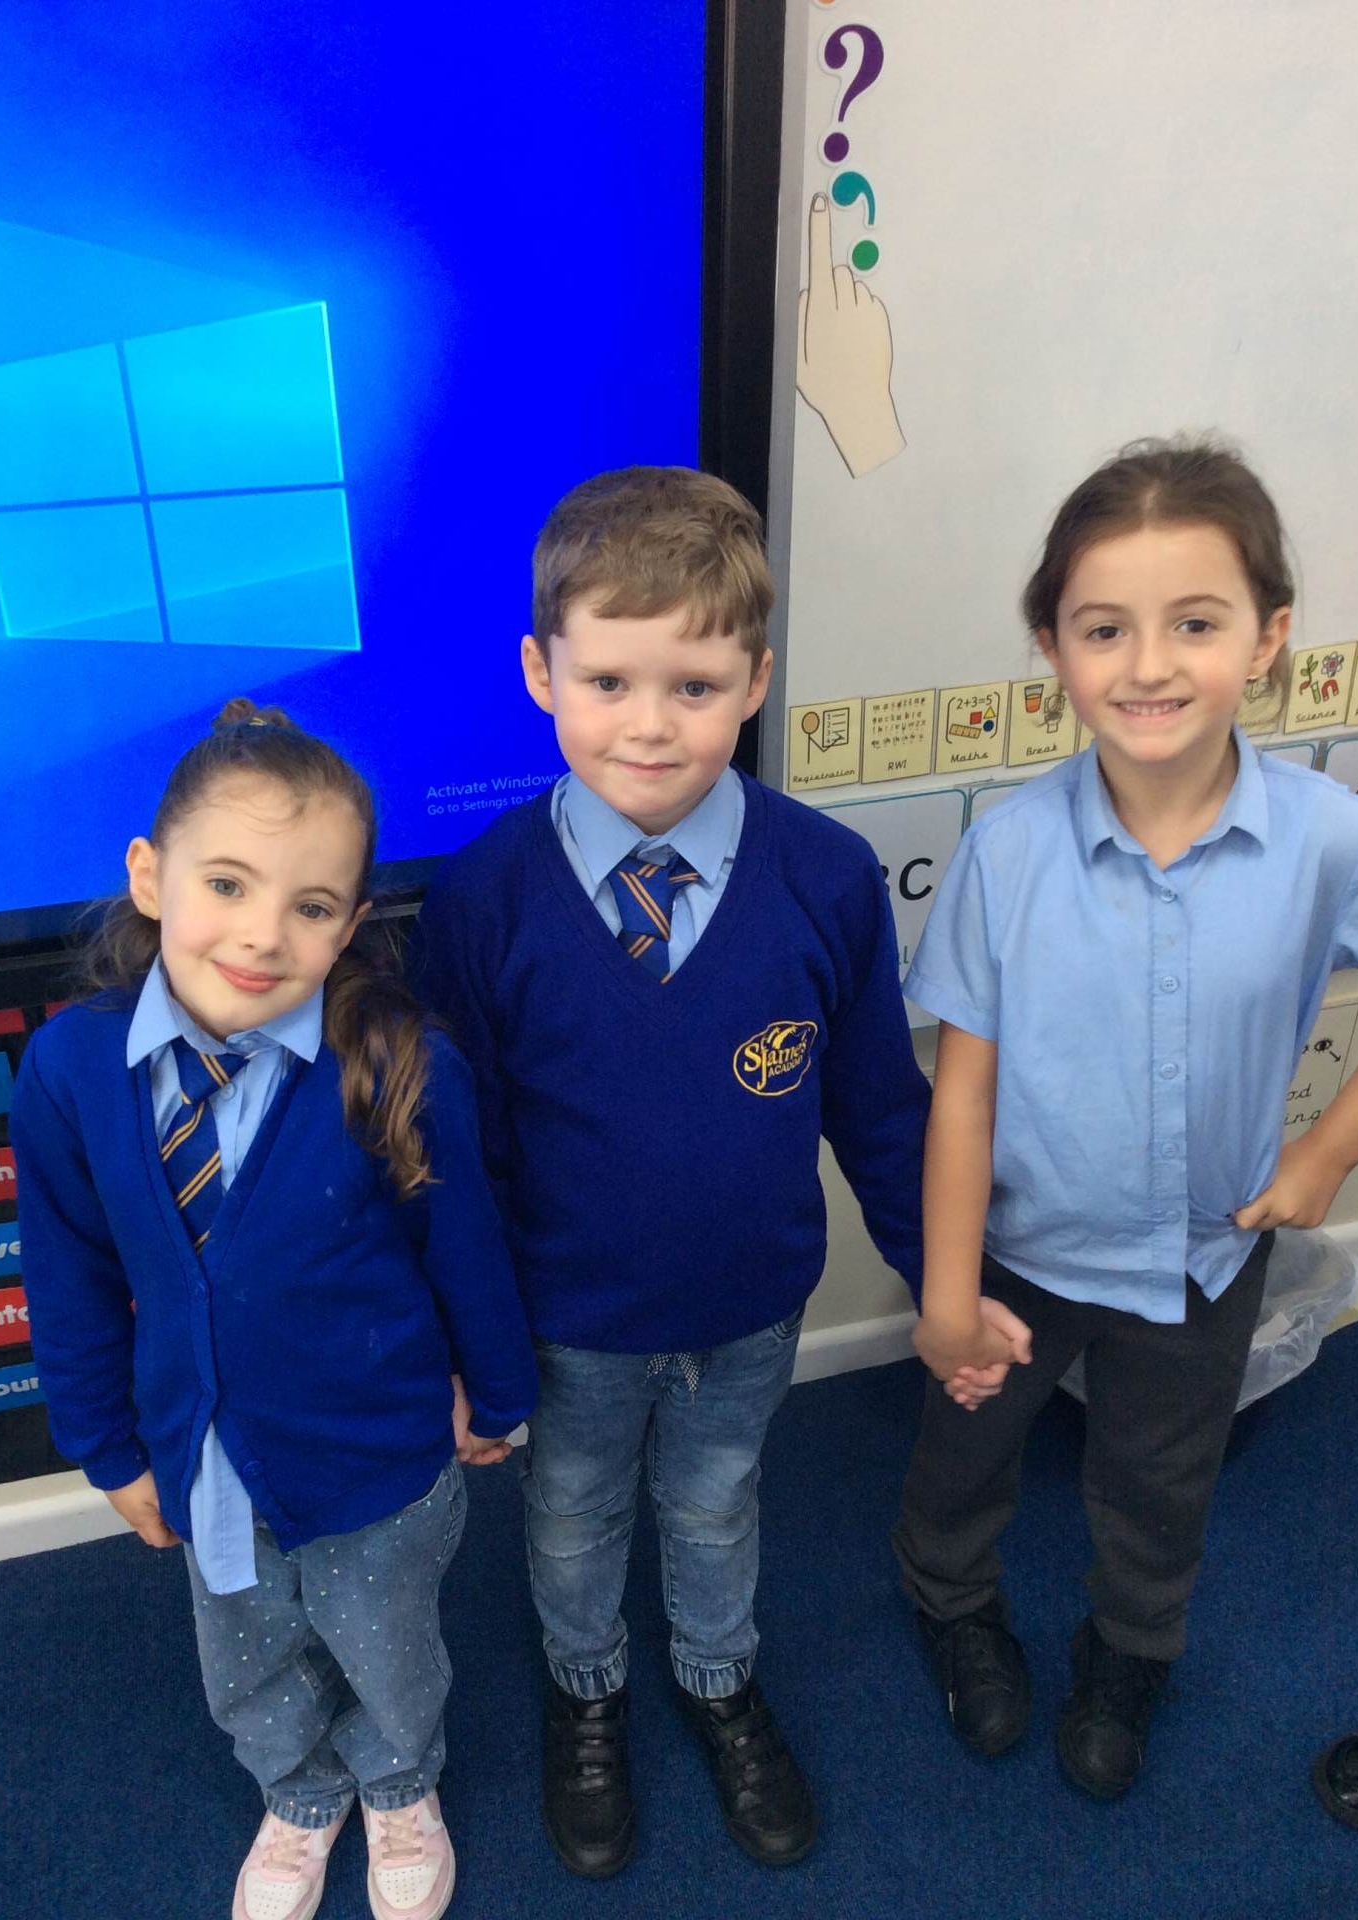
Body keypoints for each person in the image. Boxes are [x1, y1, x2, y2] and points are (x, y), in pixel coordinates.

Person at [411, 467, 936, 1877]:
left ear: (754, 681)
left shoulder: (828, 877)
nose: (649, 725)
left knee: (716, 1504)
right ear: (541, 673)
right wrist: (463, 1345)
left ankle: (716, 1675)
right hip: (569, 1324)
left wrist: (938, 1278)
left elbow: (880, 1110)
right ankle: (587, 1689)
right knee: (572, 1518)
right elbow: (451, 1157)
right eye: (609, 682)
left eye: (694, 687)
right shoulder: (478, 899)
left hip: (750, 1309)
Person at [892, 438, 1358, 1800]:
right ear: (1052, 648)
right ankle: (949, 1600)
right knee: (963, 1452)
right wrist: (944, 1295)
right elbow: (963, 1092)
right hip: (1021, 1251)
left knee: (1161, 1480)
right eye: (1103, 628)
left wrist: (1328, 1151)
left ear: (1268, 636)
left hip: (1204, 1257)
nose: (1147, 665)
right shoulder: (1009, 850)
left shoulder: (1326, 837)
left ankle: (1130, 1650)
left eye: (1194, 623)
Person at [13, 701, 536, 1920]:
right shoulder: (72, 1070)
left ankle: (398, 1778)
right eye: (226, 885)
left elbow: (466, 1252)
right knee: (246, 1647)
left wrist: (499, 1394)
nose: (261, 934)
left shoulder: (402, 1063)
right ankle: (298, 1789)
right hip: (204, 1456)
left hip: (376, 1451)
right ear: (151, 877)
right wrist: (105, 1449)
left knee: (386, 1634)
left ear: (351, 924)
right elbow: (69, 1277)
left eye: (310, 906)